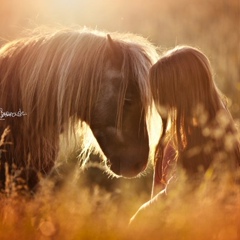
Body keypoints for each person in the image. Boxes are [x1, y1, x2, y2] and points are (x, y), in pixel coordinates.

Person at [130, 45, 240, 224]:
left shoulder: (219, 146)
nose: (163, 107)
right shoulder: (171, 143)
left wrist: (139, 218)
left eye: (164, 96)